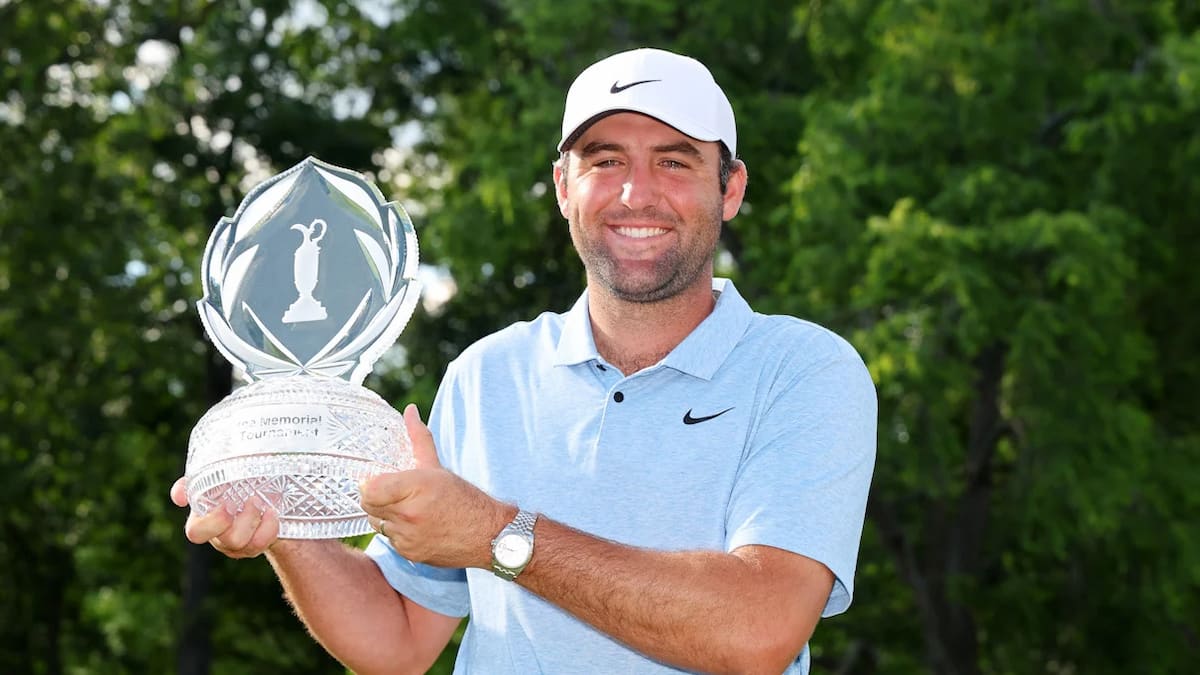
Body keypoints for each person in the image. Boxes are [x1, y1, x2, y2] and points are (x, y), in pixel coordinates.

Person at [172, 47, 877, 674]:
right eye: (605, 161)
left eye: (673, 160)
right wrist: (285, 522)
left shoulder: (805, 370)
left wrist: (494, 534)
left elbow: (758, 629)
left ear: (730, 188)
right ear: (564, 186)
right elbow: (397, 641)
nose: (636, 192)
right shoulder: (487, 374)